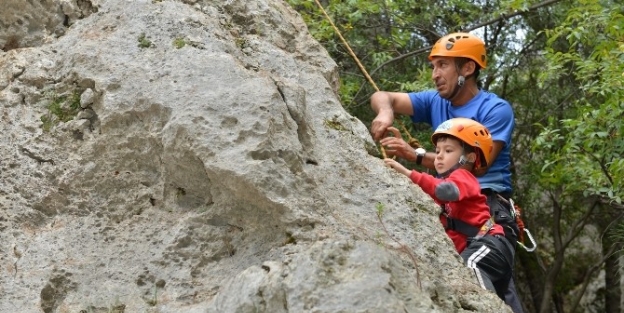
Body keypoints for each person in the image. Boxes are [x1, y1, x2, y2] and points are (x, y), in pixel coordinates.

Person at [370, 32, 523, 313]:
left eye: (443, 65)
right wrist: (385, 113)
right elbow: (382, 96)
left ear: (467, 68)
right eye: (433, 66)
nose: (435, 74)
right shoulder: (435, 102)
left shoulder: (495, 110)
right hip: (452, 212)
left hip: (485, 209)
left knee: (478, 277)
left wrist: (412, 156)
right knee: (485, 287)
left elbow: (478, 166)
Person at [384, 118, 514, 301]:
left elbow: (445, 191)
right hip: (481, 248)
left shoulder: (463, 177)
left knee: (469, 269)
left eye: (448, 151)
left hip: (490, 244)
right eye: (437, 151)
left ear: (470, 157)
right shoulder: (448, 183)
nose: (438, 156)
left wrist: (408, 174)